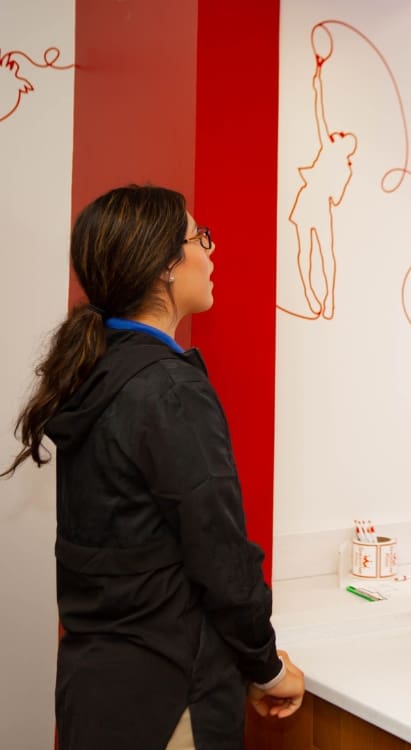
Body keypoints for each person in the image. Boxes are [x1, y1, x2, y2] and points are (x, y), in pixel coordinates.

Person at [2, 185, 305, 749]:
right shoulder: (168, 388)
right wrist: (267, 667)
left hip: (96, 692)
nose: (210, 254)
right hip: (169, 698)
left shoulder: (98, 370)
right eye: (200, 240)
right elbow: (220, 555)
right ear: (167, 265)